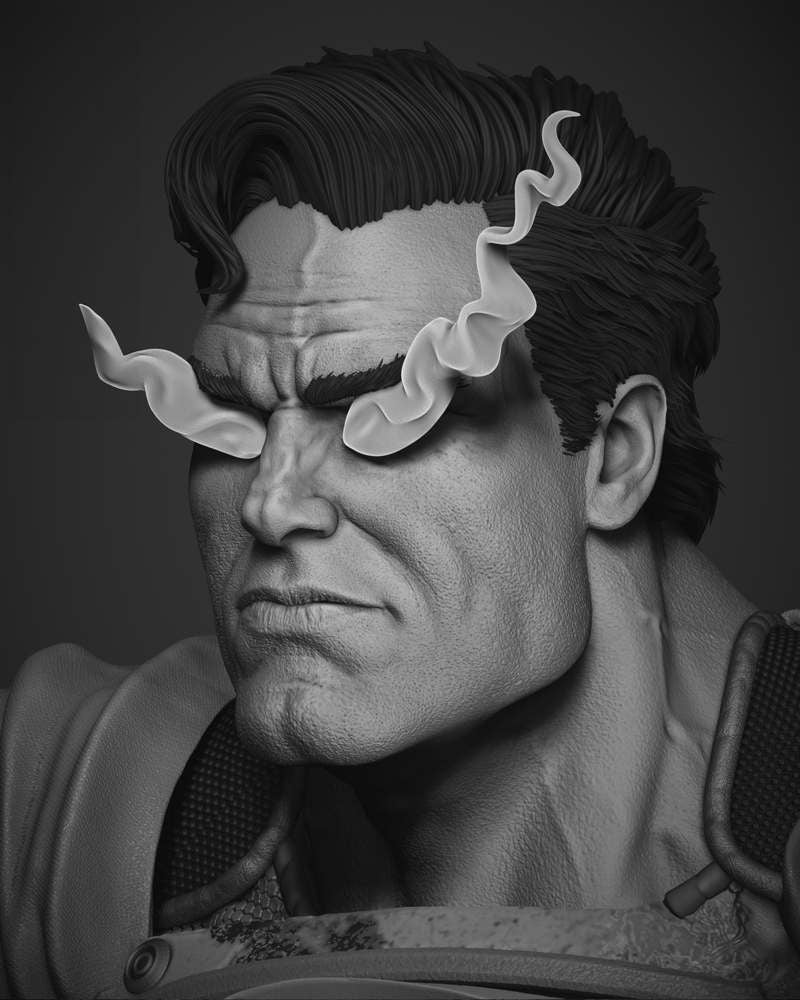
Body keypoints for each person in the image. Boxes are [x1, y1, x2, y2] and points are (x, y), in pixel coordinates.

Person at [1, 44, 798, 1000]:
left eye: (390, 411)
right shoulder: (80, 799)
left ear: (615, 455)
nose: (270, 501)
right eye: (228, 416)